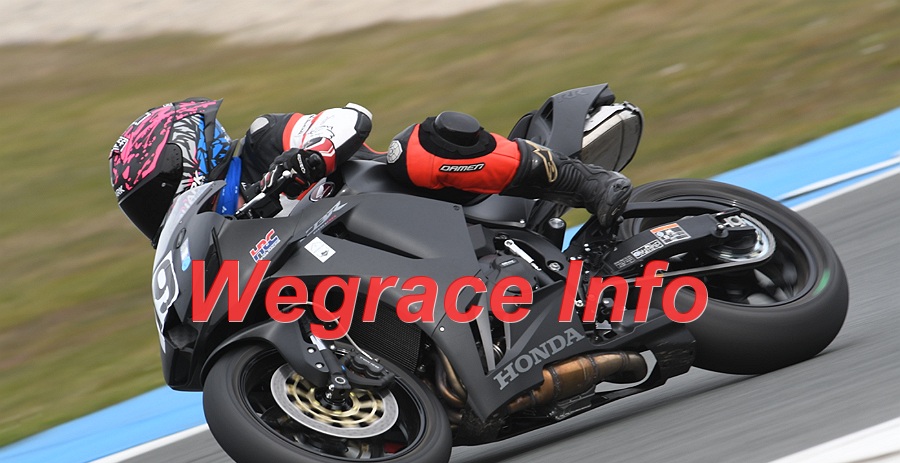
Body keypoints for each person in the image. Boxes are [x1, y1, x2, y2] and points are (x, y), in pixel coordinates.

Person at [109, 97, 631, 244]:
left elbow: (348, 118)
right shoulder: (217, 235)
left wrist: (308, 158)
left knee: (416, 149)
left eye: (154, 197)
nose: (154, 215)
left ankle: (584, 182)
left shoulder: (263, 141)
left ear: (184, 154)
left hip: (421, 206)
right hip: (377, 268)